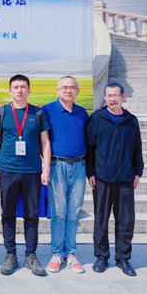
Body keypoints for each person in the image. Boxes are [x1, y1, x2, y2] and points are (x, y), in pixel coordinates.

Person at [0, 74, 51, 276]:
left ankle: (30, 255)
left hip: (32, 171)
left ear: (29, 90)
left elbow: (45, 142)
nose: (19, 90)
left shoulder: (38, 113)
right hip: (8, 170)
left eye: (23, 87)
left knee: (32, 214)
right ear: (10, 91)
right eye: (16, 87)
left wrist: (46, 169)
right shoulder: (2, 112)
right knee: (8, 214)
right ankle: (10, 254)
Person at [86, 83, 143, 277]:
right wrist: (90, 173)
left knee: (126, 220)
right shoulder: (97, 119)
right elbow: (90, 148)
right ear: (104, 97)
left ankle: (123, 258)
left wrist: (138, 172)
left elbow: (137, 147)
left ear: (123, 96)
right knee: (101, 218)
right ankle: (101, 256)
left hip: (126, 177)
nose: (112, 99)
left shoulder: (131, 120)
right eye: (109, 95)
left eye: (116, 95)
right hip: (103, 177)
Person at [42, 77, 88, 274]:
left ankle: (70, 252)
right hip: (57, 165)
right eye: (64, 88)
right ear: (57, 90)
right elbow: (43, 141)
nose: (68, 91)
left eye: (72, 88)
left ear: (77, 91)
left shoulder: (82, 112)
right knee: (59, 212)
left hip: (79, 166)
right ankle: (57, 253)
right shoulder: (47, 110)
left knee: (74, 212)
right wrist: (45, 168)